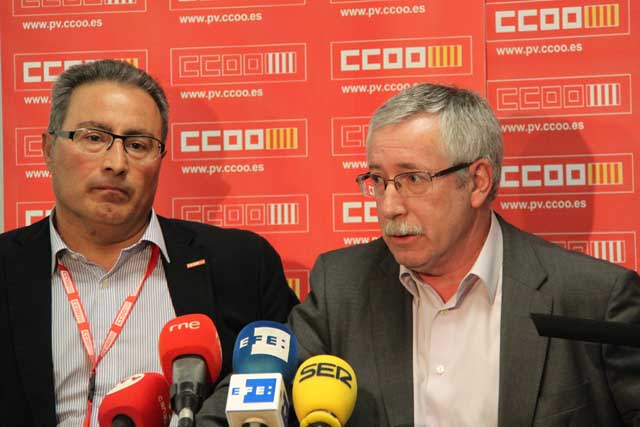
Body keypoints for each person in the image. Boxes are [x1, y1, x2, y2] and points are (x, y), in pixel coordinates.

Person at [286, 83, 640, 426]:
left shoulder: (594, 300)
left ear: (477, 181)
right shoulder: (341, 286)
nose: (389, 206)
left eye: (413, 179)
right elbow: (268, 398)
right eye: (378, 181)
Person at [0, 59, 299, 427]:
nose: (116, 162)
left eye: (138, 144)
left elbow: (287, 395)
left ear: (160, 159)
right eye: (94, 138)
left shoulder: (241, 265)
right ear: (48, 149)